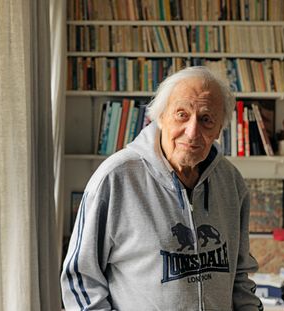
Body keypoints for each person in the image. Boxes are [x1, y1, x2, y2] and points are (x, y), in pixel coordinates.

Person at [61, 66, 263, 311]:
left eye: (206, 119)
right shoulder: (115, 178)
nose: (192, 132)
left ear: (219, 129)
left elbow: (240, 276)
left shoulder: (231, 181)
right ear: (160, 116)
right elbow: (81, 279)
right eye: (181, 114)